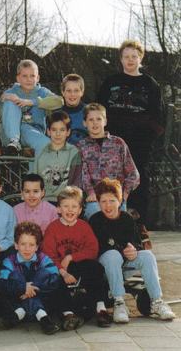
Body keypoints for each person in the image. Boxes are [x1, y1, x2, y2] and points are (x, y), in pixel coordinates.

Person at [89, 178, 175, 323]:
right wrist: (122, 250)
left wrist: (133, 250)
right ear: (98, 203)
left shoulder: (127, 218)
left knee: (147, 255)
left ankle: (157, 301)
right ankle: (119, 302)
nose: (108, 205)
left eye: (112, 201)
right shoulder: (95, 220)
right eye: (103, 201)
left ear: (119, 201)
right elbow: (99, 247)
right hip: (106, 266)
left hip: (125, 263)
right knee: (112, 255)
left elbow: (136, 242)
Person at [98, 40, 164, 227]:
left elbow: (158, 116)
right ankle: (111, 221)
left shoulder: (150, 84)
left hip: (140, 140)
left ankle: (139, 224)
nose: (130, 60)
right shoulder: (111, 82)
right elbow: (99, 109)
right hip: (114, 138)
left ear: (140, 58)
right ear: (121, 59)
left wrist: (149, 136)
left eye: (134, 56)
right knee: (112, 178)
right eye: (126, 56)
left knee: (138, 177)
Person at [42, 186, 112, 328]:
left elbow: (92, 250)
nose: (70, 210)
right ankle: (68, 314)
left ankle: (101, 309)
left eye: (74, 206)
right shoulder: (52, 228)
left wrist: (71, 257)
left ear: (80, 210)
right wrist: (63, 272)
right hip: (59, 267)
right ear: (58, 209)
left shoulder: (84, 227)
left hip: (78, 264)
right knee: (54, 278)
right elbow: (48, 255)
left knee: (96, 268)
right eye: (66, 206)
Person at [0, 221, 83, 335]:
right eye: (23, 244)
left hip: (41, 300)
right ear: (16, 245)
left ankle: (18, 315)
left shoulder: (43, 259)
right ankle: (44, 319)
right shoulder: (9, 261)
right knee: (15, 275)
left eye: (31, 245)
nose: (27, 248)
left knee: (43, 273)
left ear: (37, 247)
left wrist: (32, 288)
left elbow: (56, 280)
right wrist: (23, 287)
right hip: (18, 300)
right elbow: (1, 284)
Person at [77, 103, 139, 219]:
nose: (95, 123)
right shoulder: (81, 146)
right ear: (84, 123)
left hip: (117, 197)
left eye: (98, 119)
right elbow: (82, 175)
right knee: (95, 214)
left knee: (120, 218)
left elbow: (133, 174)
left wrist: (124, 195)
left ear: (105, 121)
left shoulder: (118, 143)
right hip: (94, 199)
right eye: (91, 120)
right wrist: (90, 193)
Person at [0, 59, 63, 155]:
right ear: (18, 78)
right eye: (24, 76)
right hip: (10, 136)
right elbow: (1, 114)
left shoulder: (42, 92)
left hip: (34, 132)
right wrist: (4, 99)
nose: (29, 79)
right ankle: (14, 142)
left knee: (42, 142)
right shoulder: (11, 92)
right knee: (10, 100)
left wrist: (32, 102)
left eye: (32, 76)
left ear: (38, 78)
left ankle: (44, 158)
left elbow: (59, 101)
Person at [32, 111, 82, 203]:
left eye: (62, 130)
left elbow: (76, 182)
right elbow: (34, 181)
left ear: (68, 132)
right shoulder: (41, 153)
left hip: (66, 201)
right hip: (44, 201)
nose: (58, 134)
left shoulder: (74, 152)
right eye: (54, 130)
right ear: (48, 131)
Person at [60, 74, 88, 145]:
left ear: (82, 92)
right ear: (63, 92)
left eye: (76, 90)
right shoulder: (57, 114)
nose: (72, 94)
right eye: (69, 91)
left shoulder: (90, 112)